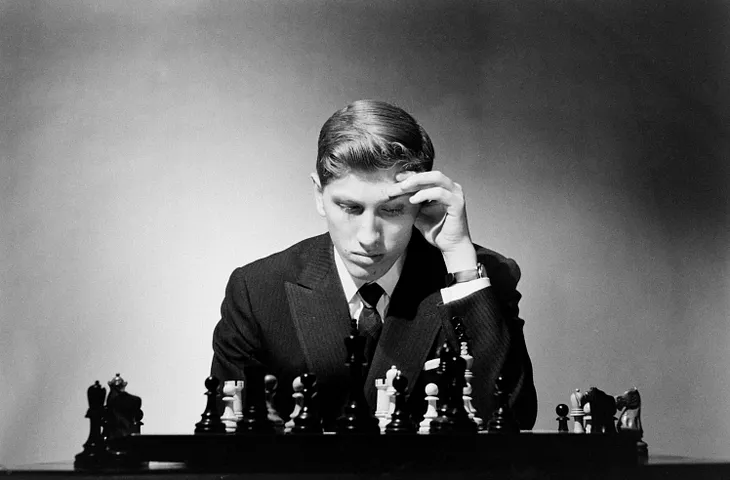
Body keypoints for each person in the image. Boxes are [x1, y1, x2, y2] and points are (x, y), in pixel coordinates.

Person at [211, 99, 537, 429]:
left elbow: (512, 416)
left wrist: (459, 257)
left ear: (423, 203)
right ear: (318, 195)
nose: (369, 237)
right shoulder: (258, 291)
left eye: (392, 210)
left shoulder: (482, 276)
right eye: (350, 208)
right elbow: (230, 449)